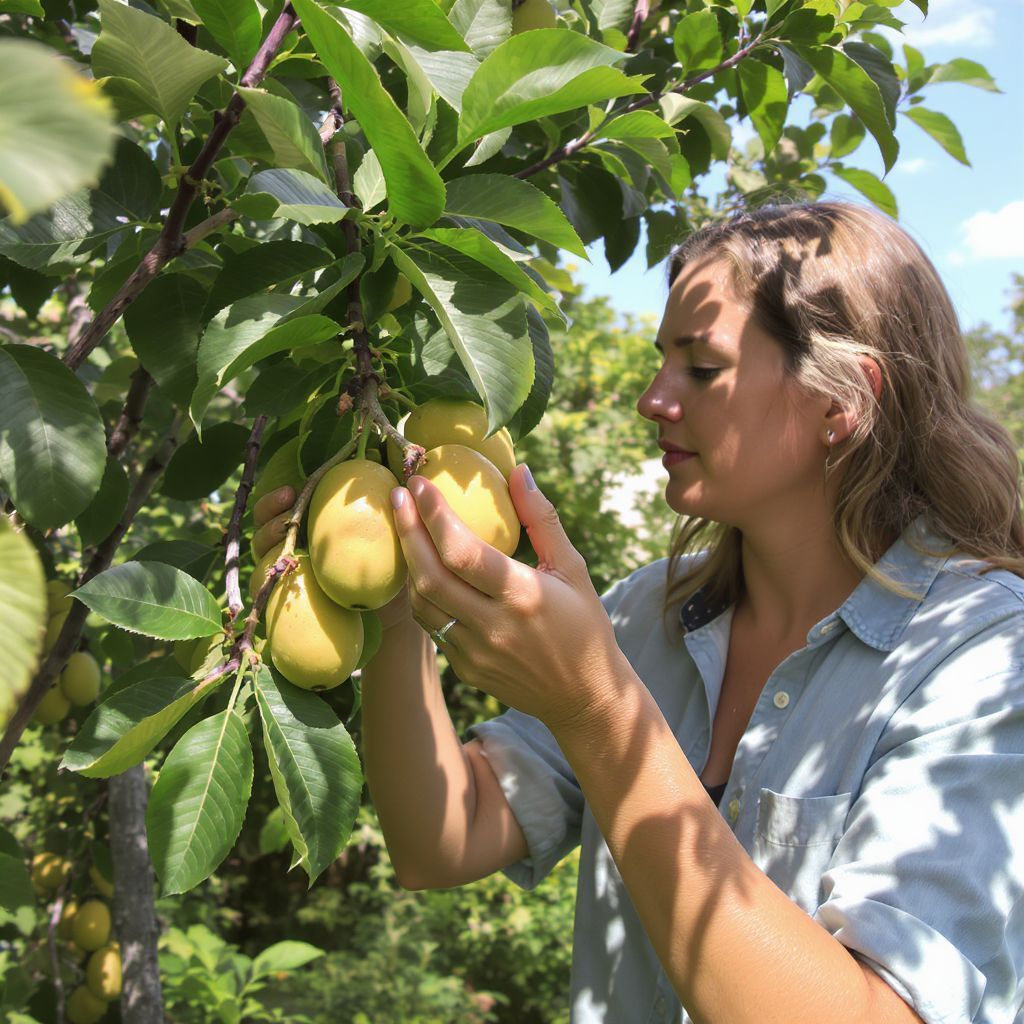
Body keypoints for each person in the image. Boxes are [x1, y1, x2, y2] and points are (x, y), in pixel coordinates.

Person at [252, 201, 1024, 1024]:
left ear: (842, 402)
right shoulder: (650, 618)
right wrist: (399, 595)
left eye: (701, 368)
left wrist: (599, 712)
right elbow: (444, 840)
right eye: (662, 363)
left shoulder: (981, 659)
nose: (653, 399)